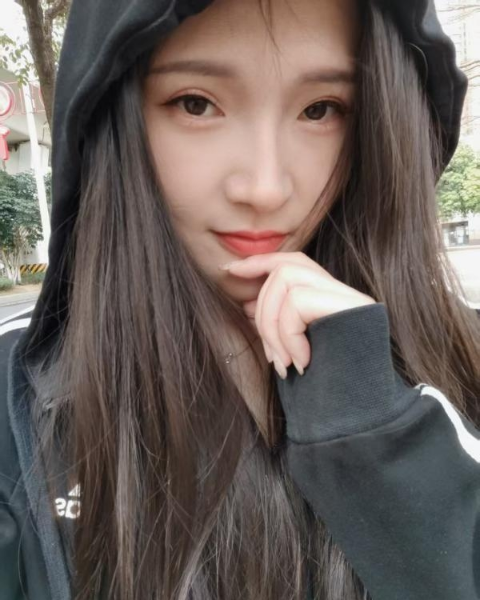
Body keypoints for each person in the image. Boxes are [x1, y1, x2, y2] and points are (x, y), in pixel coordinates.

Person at [1, 0, 479, 598]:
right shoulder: (17, 407)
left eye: (321, 109)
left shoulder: (461, 353)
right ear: (111, 115)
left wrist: (383, 437)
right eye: (196, 104)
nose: (265, 187)